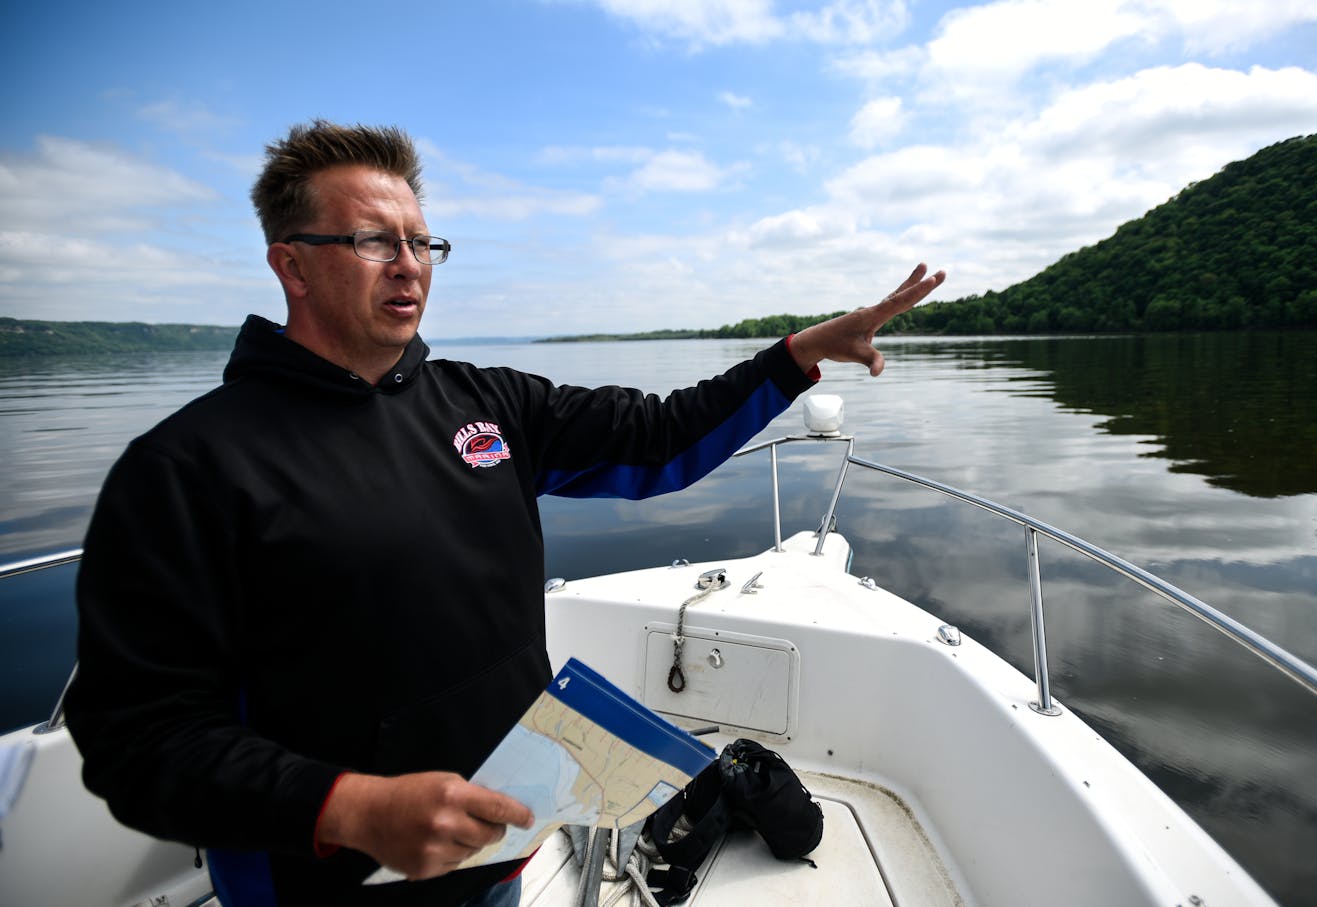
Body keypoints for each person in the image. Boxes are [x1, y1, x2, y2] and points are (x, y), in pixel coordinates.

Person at [63, 120, 945, 907]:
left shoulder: (485, 404)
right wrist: (348, 806)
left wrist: (793, 358)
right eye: (374, 240)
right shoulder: (187, 467)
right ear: (291, 261)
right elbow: (138, 737)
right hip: (320, 879)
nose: (409, 264)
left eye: (422, 241)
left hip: (501, 851)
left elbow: (658, 438)